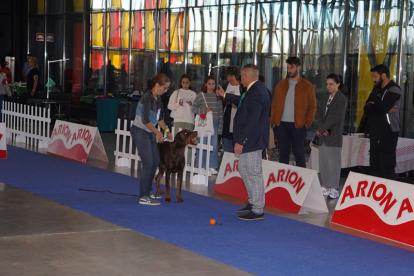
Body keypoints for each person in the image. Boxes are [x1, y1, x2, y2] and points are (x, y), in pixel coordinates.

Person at [216, 64, 271, 221]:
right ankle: (253, 202)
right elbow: (242, 101)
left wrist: (242, 140)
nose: (240, 80)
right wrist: (225, 95)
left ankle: (258, 209)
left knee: (254, 172)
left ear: (246, 76)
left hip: (252, 139)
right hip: (250, 138)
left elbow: (252, 119)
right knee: (244, 167)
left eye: (241, 76)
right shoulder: (254, 90)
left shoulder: (257, 91)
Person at [130, 73, 173, 206]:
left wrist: (166, 130)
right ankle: (143, 196)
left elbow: (159, 118)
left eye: (167, 89)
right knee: (148, 163)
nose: (166, 91)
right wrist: (157, 133)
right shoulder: (147, 97)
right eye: (164, 88)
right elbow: (145, 120)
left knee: (155, 162)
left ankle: (148, 192)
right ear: (156, 85)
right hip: (140, 131)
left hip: (149, 132)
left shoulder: (158, 98)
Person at [270, 56, 317, 167]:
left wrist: (307, 122)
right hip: (281, 124)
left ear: (298, 68)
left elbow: (312, 106)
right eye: (288, 68)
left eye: (292, 67)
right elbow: (275, 105)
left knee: (299, 153)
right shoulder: (281, 85)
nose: (289, 70)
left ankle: (302, 180)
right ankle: (282, 179)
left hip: (299, 125)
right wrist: (273, 122)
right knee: (283, 154)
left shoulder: (307, 86)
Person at [363, 64, 401, 180]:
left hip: (388, 132)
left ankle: (390, 193)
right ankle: (376, 194)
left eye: (375, 76)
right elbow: (366, 108)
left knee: (386, 165)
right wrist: (376, 106)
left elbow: (382, 108)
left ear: (383, 75)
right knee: (375, 164)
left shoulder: (394, 89)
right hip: (375, 130)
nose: (373, 80)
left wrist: (375, 105)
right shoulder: (376, 89)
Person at [316, 74, 347, 199]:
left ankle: (334, 188)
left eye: (331, 84)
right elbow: (320, 115)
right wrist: (321, 129)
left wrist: (324, 129)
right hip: (323, 135)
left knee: (334, 163)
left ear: (338, 84)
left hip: (334, 134)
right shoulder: (325, 98)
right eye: (327, 84)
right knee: (323, 162)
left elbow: (336, 117)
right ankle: (326, 186)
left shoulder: (342, 99)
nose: (328, 86)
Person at [191, 76, 223, 175]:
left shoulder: (218, 96)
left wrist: (220, 128)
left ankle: (212, 166)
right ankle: (201, 166)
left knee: (213, 146)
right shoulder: (201, 96)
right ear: (205, 84)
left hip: (215, 123)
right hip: (203, 123)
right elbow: (193, 108)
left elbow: (221, 113)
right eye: (209, 84)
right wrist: (204, 110)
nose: (211, 86)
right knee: (202, 144)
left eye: (213, 84)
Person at [221, 66, 244, 153]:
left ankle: (236, 164)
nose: (229, 78)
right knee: (227, 144)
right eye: (227, 76)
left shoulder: (241, 87)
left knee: (236, 144)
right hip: (227, 116)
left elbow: (243, 101)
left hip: (238, 116)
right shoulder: (225, 86)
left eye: (231, 76)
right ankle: (228, 164)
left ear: (236, 76)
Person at [259, 75, 275, 161]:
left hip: (266, 121)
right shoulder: (253, 92)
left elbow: (270, 108)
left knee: (269, 144)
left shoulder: (267, 92)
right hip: (260, 122)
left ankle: (269, 162)